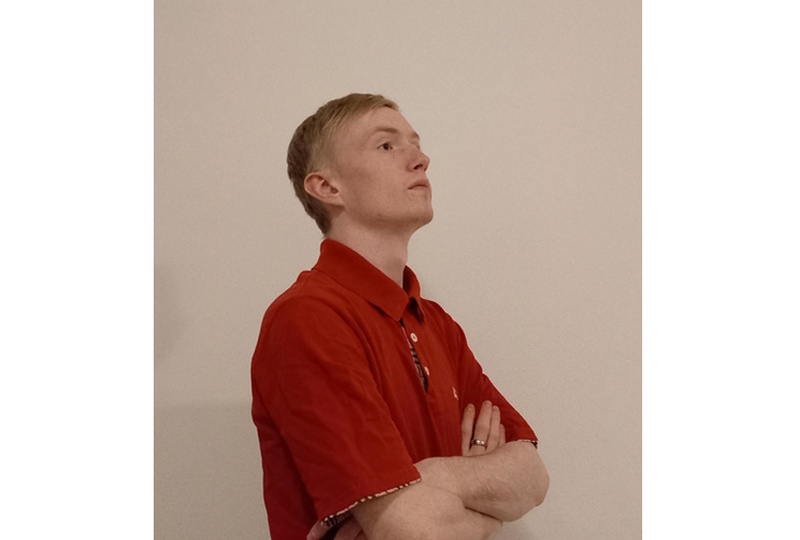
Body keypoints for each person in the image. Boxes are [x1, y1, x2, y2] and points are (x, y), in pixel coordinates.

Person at [251, 93, 549, 540]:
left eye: (416, 143)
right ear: (327, 187)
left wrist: (431, 477)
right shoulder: (307, 318)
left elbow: (533, 477)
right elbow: (413, 530)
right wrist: (486, 500)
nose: (421, 159)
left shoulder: (438, 325)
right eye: (387, 145)